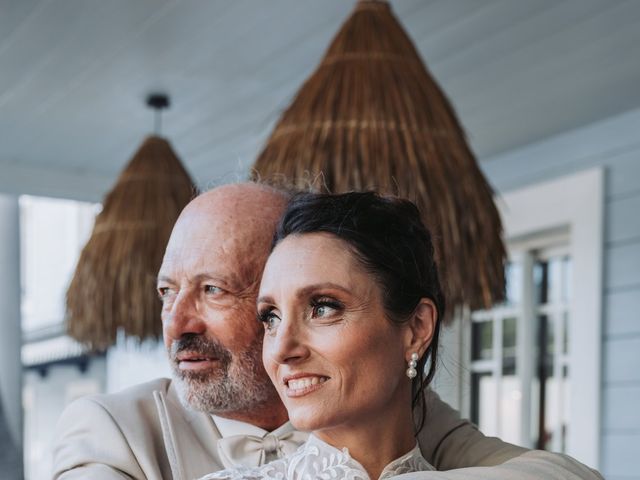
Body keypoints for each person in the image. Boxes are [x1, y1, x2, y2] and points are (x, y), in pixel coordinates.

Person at [52, 183, 601, 480]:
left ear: (415, 331)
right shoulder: (113, 427)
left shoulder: (407, 410)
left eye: (215, 290)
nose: (176, 324)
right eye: (167, 292)